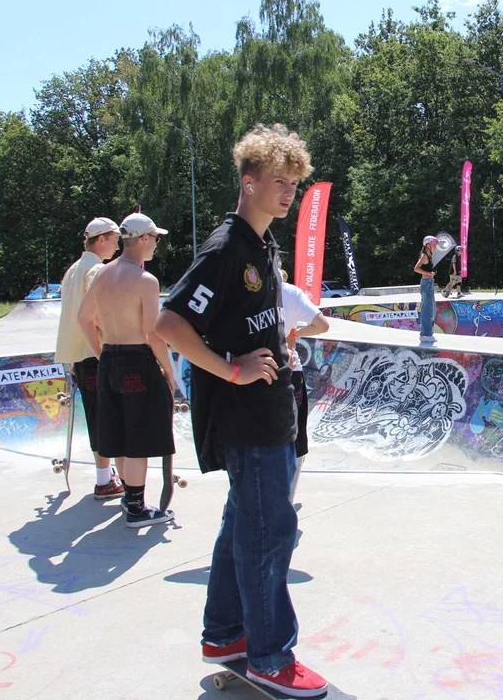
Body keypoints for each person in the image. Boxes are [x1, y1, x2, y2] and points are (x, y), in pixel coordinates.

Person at [154, 123, 329, 697]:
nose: (288, 193)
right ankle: (269, 657)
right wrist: (233, 368)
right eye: (278, 182)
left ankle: (226, 635)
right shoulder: (228, 247)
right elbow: (170, 324)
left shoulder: (262, 244)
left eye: (294, 184)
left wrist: (278, 342)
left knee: (243, 525)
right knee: (268, 534)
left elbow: (247, 315)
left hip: (268, 411)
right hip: (246, 417)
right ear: (248, 182)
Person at [77, 212, 175, 528]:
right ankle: (135, 506)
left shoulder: (102, 274)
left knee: (118, 431)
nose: (156, 245)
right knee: (139, 437)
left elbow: (83, 318)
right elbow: (152, 332)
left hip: (110, 359)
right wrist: (168, 369)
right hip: (138, 360)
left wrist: (100, 352)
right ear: (144, 239)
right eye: (155, 239)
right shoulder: (146, 281)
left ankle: (129, 498)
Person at [54, 218, 125, 500]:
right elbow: (99, 314)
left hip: (79, 355)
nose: (118, 245)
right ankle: (105, 480)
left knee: (96, 417)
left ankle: (105, 476)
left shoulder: (73, 270)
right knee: (109, 419)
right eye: (114, 239)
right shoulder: (95, 269)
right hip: (96, 353)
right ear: (100, 239)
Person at [280, 267, 330, 501]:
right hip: (291, 372)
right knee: (296, 436)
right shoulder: (291, 293)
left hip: (256, 371)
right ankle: (287, 497)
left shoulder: (246, 291)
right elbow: (322, 325)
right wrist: (293, 333)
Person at [414, 235, 439, 342]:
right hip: (426, 283)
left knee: (432, 310)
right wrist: (428, 273)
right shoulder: (424, 256)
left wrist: (430, 274)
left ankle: (427, 333)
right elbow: (416, 269)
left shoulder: (429, 256)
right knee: (427, 310)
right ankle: (425, 335)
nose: (435, 247)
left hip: (429, 283)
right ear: (427, 245)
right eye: (434, 245)